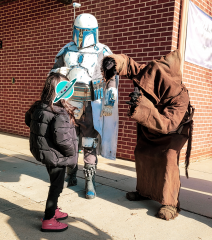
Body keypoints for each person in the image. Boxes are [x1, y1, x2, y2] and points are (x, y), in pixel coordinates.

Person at [101, 50, 194, 220]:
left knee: (168, 158)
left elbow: (168, 124)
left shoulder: (180, 97)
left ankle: (170, 203)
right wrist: (114, 63)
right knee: (142, 153)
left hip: (174, 130)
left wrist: (142, 105)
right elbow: (129, 64)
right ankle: (144, 191)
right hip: (150, 125)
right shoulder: (151, 71)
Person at [50, 13, 119, 199]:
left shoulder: (103, 51)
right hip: (68, 104)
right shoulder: (66, 50)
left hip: (91, 105)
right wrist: (59, 72)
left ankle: (90, 180)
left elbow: (112, 75)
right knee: (69, 141)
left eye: (86, 32)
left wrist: (112, 90)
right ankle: (71, 174)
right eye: (80, 32)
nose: (82, 36)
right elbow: (52, 75)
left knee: (89, 143)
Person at [25, 72, 78, 232]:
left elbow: (29, 121)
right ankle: (48, 219)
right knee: (57, 186)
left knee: (55, 183)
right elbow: (63, 140)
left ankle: (53, 209)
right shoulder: (59, 113)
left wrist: (44, 137)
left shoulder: (38, 106)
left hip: (47, 154)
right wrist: (71, 153)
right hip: (58, 156)